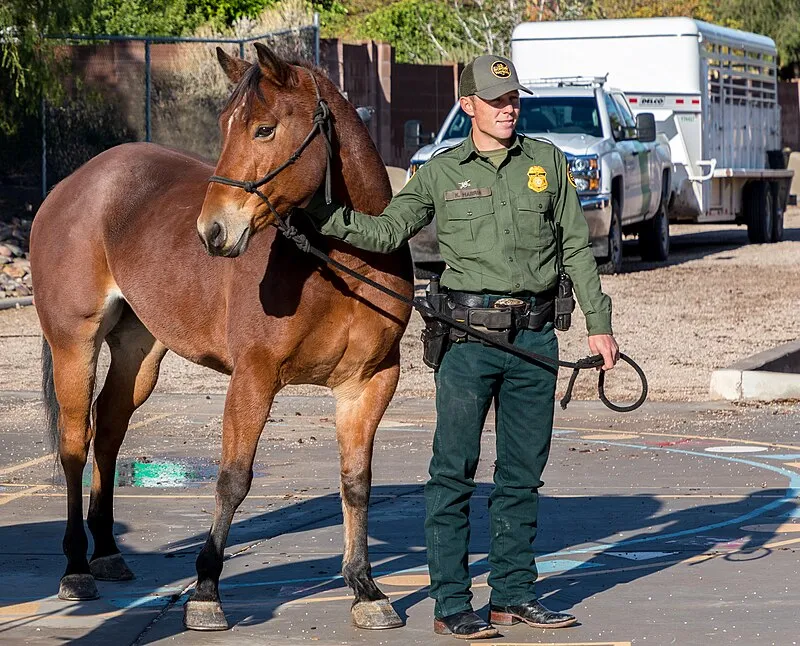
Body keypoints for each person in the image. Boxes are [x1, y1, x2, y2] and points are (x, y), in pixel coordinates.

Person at [303, 54, 619, 640]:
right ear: (468, 105)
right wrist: (322, 216)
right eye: (495, 100)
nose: (507, 108)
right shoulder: (441, 173)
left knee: (523, 476)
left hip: (535, 337)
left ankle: (513, 597)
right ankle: (452, 604)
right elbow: (386, 229)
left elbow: (576, 248)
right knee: (453, 475)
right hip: (468, 342)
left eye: (513, 99)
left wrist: (599, 324)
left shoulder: (546, 163)